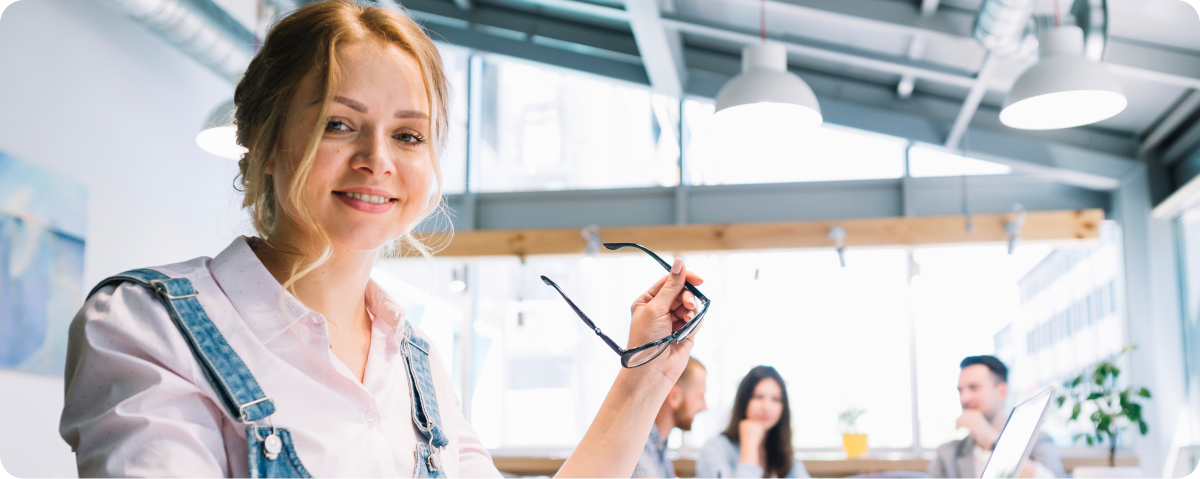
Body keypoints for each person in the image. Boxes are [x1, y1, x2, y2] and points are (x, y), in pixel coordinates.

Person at [58, 1, 705, 477]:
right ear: (263, 140)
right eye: (339, 124)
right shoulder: (148, 326)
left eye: (408, 135)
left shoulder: (416, 363)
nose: (378, 159)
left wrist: (646, 374)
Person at [926, 356, 1066, 479]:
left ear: (1002, 392)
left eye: (974, 388)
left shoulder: (1037, 440)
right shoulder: (948, 453)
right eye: (960, 390)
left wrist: (994, 442)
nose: (964, 398)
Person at [696, 366, 811, 479]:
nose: (766, 407)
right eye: (758, 397)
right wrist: (749, 445)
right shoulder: (715, 449)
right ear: (744, 400)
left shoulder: (781, 451)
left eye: (775, 399)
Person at [632, 358, 708, 479]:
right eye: (700, 396)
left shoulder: (659, 447)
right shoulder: (637, 447)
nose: (704, 407)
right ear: (674, 397)